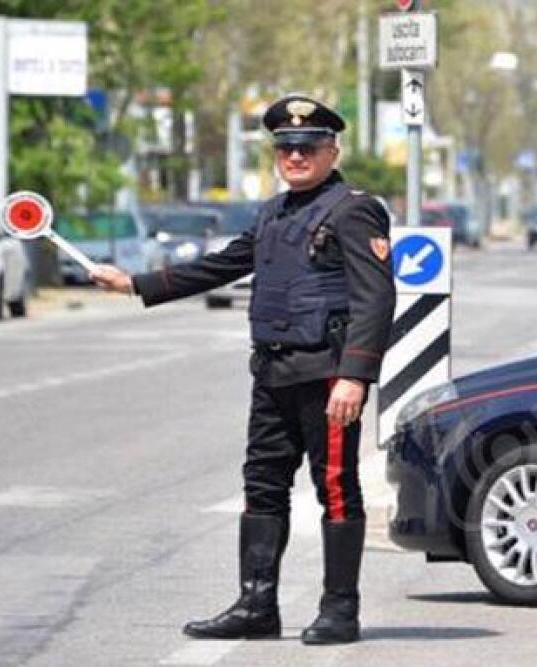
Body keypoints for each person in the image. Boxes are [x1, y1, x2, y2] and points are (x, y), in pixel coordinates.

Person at [90, 94, 396, 644]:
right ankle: (257, 606)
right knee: (262, 486)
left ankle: (340, 610)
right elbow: (223, 265)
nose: (295, 157)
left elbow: (375, 299)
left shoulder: (354, 208)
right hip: (273, 373)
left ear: (332, 150)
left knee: (336, 490)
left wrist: (355, 375)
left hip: (327, 377)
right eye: (285, 148)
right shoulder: (273, 212)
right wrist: (135, 283)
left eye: (307, 147)